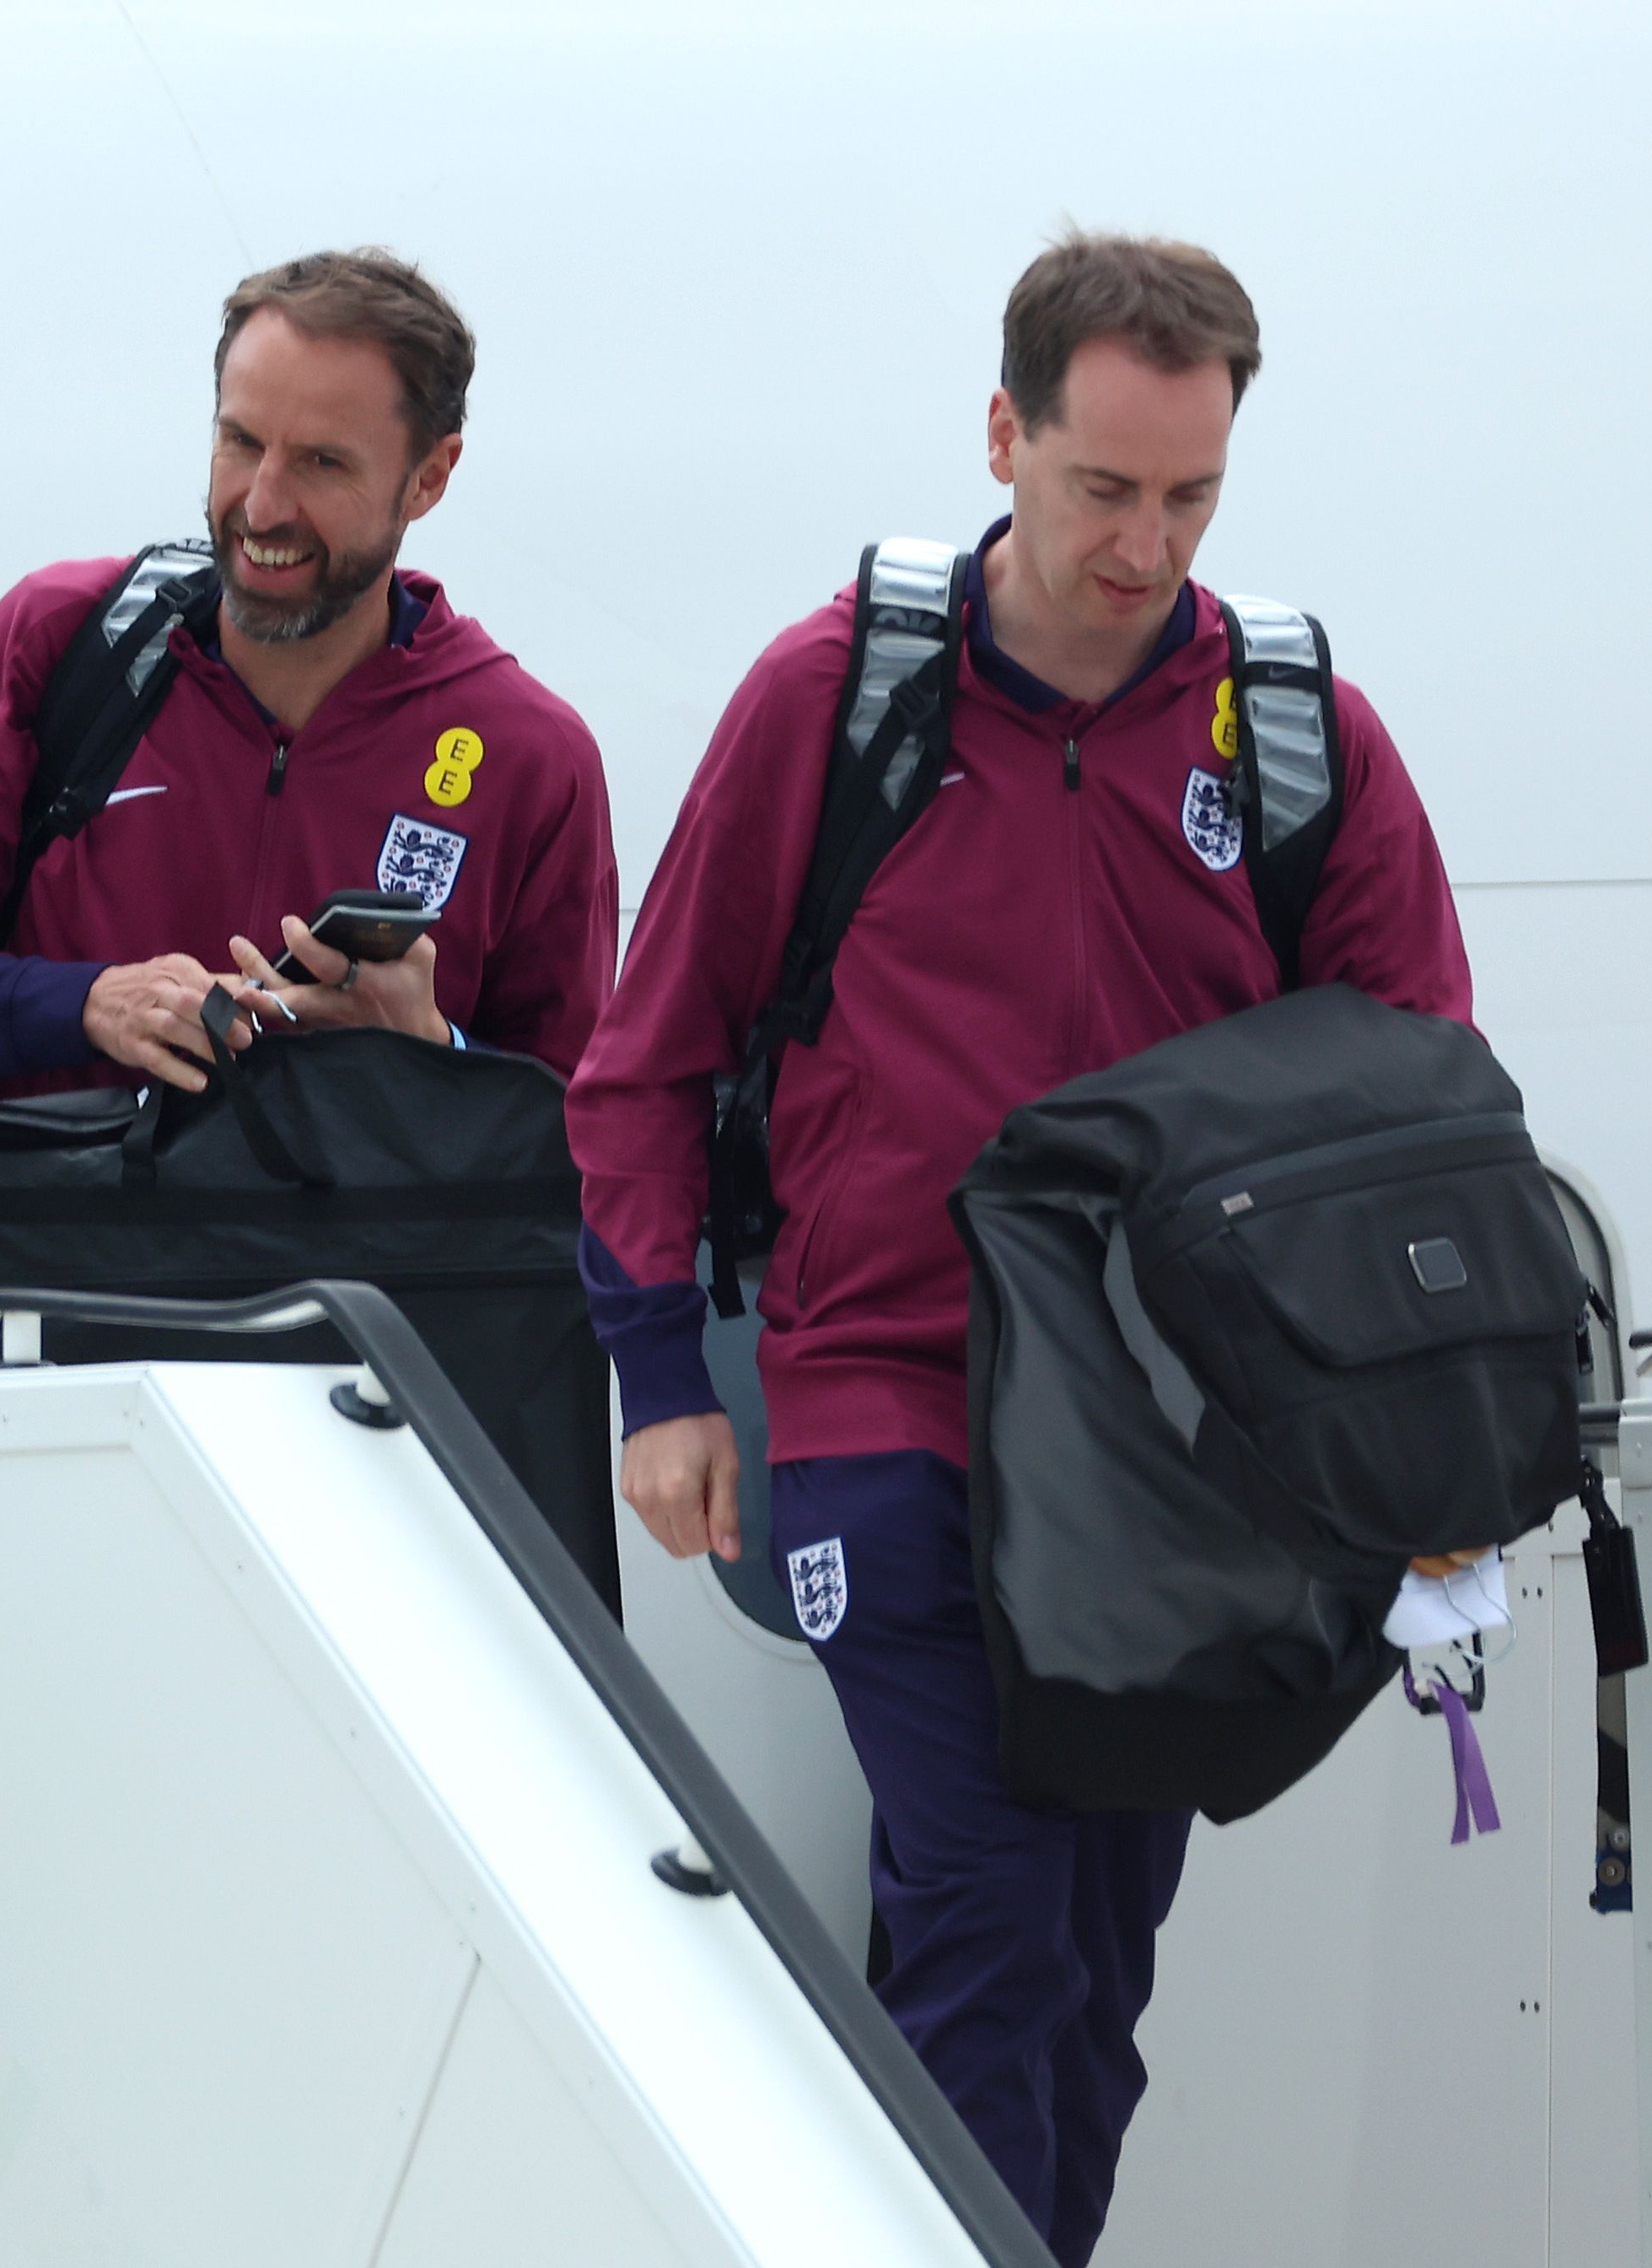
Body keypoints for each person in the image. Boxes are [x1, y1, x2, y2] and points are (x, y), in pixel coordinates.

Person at [565, 234, 1472, 2260]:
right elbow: (641, 1062)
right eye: (1098, 487)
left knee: (1082, 1975)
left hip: (1175, 1457)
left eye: (1187, 497)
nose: (1139, 544)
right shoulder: (835, 700)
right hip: (881, 1402)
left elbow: (1420, 1099)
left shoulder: (1288, 736)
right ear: (1002, 435)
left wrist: (1405, 1434)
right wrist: (652, 1378)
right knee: (980, 1936)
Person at [0, 248, 615, 1096]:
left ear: (429, 479)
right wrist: (91, 1004)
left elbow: (585, 1137)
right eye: (241, 441)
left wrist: (426, 1042)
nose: (261, 505)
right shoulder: (65, 639)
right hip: (47, 1225)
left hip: (358, 1236)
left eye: (322, 463)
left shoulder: (528, 755)